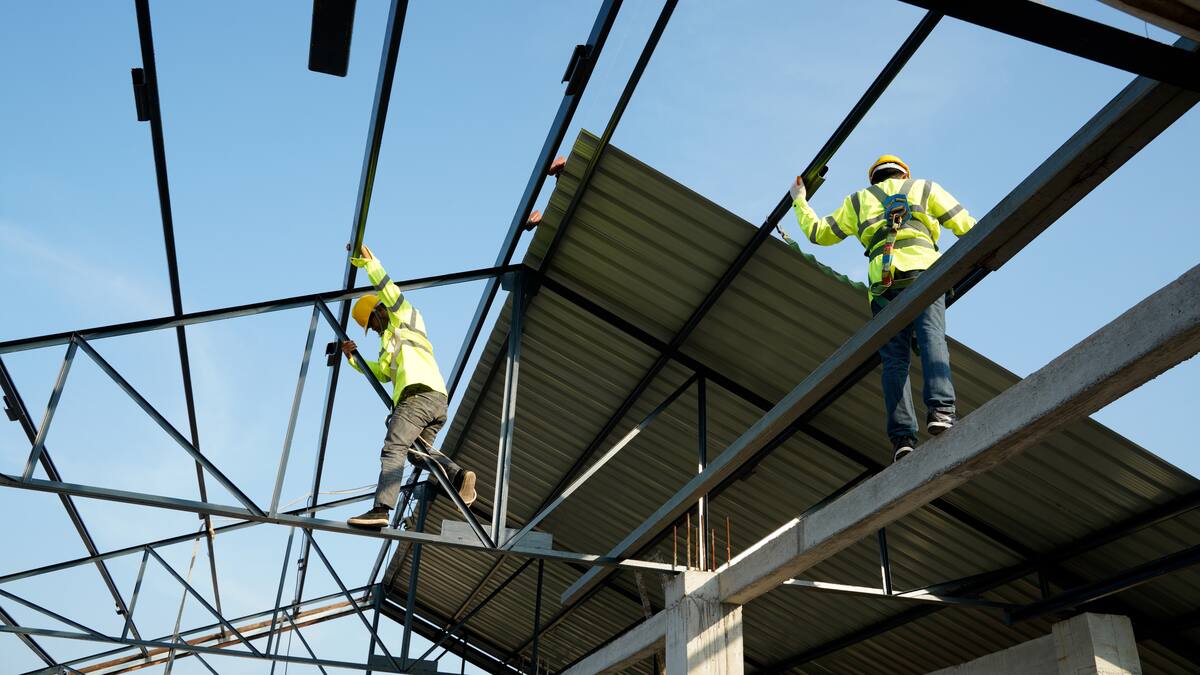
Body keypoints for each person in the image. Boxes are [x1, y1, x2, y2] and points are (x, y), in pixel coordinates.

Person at [785, 155, 976, 461]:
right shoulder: (925, 188)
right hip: (925, 273)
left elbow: (819, 233)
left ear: (874, 178)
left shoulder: (858, 201)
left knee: (895, 362)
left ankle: (902, 438)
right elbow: (968, 227)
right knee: (931, 339)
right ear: (904, 174)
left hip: (884, 287)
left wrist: (800, 201)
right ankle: (941, 410)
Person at [341, 243, 476, 528]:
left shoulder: (404, 316)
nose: (374, 330)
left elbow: (389, 289)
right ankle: (458, 476)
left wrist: (370, 264)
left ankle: (380, 509)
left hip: (417, 396)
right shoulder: (385, 345)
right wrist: (354, 358)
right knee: (418, 454)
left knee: (394, 447)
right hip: (436, 401)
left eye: (372, 324)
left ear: (379, 312)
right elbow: (382, 374)